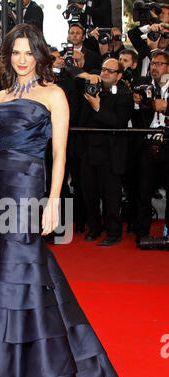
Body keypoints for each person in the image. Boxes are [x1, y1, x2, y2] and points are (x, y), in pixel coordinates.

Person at [0, 23, 128, 377]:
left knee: (23, 265)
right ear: (8, 57)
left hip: (30, 183)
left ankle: (36, 365)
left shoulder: (55, 94)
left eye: (28, 52)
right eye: (15, 52)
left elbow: (61, 154)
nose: (21, 59)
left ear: (39, 55)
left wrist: (52, 203)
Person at [77, 57, 134, 246]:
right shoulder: (91, 90)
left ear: (118, 76)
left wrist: (98, 106)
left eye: (110, 70)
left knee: (111, 197)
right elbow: (82, 119)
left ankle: (114, 232)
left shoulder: (124, 95)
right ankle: (94, 228)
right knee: (89, 194)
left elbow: (118, 122)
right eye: (103, 69)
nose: (105, 73)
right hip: (89, 152)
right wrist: (90, 98)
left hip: (110, 155)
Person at [132, 50, 169, 243]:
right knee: (143, 191)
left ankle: (167, 234)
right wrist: (137, 104)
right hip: (147, 145)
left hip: (168, 144)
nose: (154, 67)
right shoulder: (144, 87)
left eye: (160, 64)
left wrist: (166, 107)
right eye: (153, 63)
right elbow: (135, 118)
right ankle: (142, 234)